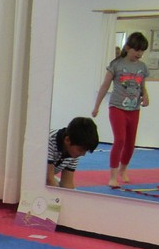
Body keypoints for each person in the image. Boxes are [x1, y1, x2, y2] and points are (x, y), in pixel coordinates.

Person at [92, 31, 151, 188]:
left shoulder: (142, 67)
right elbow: (105, 86)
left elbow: (142, 86)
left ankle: (123, 169)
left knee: (130, 143)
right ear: (127, 48)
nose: (139, 54)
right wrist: (96, 106)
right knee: (120, 140)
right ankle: (113, 176)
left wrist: (145, 96)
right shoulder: (116, 64)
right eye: (136, 50)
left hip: (134, 109)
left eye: (142, 51)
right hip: (117, 107)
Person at [47, 116, 99, 189]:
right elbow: (48, 180)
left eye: (86, 151)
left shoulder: (73, 151)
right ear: (67, 140)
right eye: (81, 150)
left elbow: (66, 182)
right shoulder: (48, 142)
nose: (83, 154)